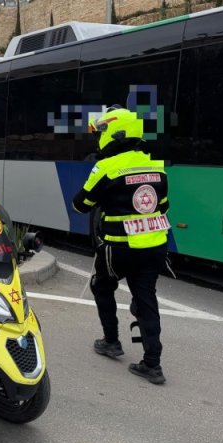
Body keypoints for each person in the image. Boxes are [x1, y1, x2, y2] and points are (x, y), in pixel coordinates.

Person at [72, 106, 170, 385]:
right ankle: (153, 364)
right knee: (147, 299)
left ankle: (111, 341)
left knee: (102, 286)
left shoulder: (107, 167)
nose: (100, 136)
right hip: (154, 247)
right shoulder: (156, 165)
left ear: (116, 133)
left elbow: (80, 205)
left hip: (118, 248)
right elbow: (163, 206)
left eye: (102, 130)